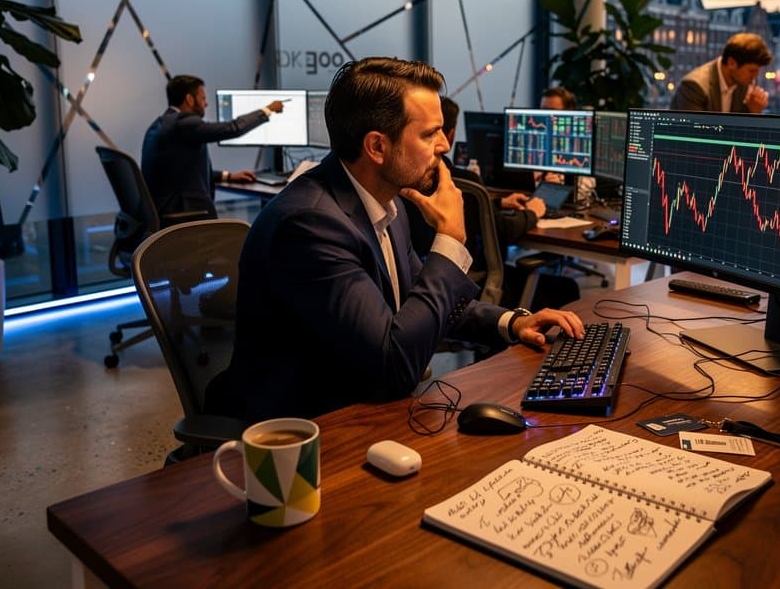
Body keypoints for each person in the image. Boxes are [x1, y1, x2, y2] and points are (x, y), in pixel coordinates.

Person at [205, 57, 584, 423]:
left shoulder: (388, 203)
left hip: (361, 407)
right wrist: (450, 239)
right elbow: (392, 368)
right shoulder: (311, 225)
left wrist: (512, 323)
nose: (444, 146)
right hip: (306, 428)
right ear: (377, 147)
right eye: (429, 133)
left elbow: (424, 301)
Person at [408, 96, 546, 258]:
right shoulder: (465, 181)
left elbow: (469, 210)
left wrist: (497, 203)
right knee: (567, 285)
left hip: (421, 271)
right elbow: (503, 230)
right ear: (451, 135)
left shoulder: (405, 178)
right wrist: (532, 213)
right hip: (463, 276)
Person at [141, 75, 284, 218]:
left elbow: (184, 171)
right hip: (184, 215)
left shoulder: (162, 124)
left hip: (166, 213)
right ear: (190, 99)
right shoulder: (183, 123)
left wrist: (228, 176)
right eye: (203, 98)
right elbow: (233, 128)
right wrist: (267, 110)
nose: (206, 104)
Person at [669, 33, 772, 114]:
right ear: (732, 63)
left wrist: (755, 112)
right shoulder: (695, 86)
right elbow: (693, 135)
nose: (755, 77)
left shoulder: (746, 84)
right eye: (752, 71)